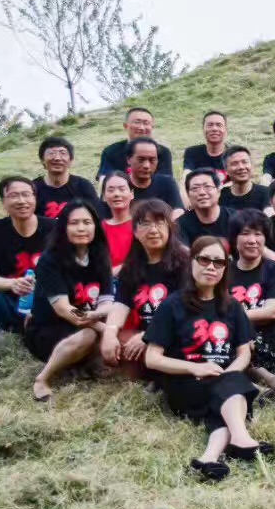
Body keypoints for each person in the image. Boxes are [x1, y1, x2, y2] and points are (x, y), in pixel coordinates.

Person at [143, 236, 270, 483]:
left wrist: (229, 374)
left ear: (225, 269)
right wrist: (195, 367)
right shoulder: (173, 305)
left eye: (219, 262)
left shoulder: (232, 306)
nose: (211, 267)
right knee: (232, 390)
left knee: (229, 388)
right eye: (204, 260)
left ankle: (209, 458)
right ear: (192, 262)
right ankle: (241, 438)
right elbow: (152, 359)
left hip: (223, 381)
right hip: (186, 384)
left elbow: (244, 353)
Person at [24, 200, 115, 401]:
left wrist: (99, 317)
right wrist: (107, 331)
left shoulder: (100, 256)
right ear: (63, 227)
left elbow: (107, 302)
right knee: (90, 335)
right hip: (50, 328)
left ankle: (84, 364)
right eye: (74, 223)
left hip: (88, 319)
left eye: (87, 222)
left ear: (96, 226)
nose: (81, 228)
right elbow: (65, 310)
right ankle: (42, 379)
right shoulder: (50, 260)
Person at [0, 176, 55, 368]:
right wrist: (12, 283)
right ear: (3, 203)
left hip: (47, 304)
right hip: (10, 304)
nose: (21, 200)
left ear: (35, 198)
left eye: (26, 194)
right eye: (14, 195)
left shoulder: (53, 228)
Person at [101, 199, 190, 375]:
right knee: (109, 340)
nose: (153, 230)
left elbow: (186, 311)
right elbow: (121, 304)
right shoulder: (132, 266)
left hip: (177, 334)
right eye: (146, 224)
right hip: (144, 337)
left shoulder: (185, 263)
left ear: (170, 228)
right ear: (135, 231)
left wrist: (148, 336)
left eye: (160, 223)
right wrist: (110, 333)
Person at [226, 209, 275, 393]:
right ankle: (256, 382)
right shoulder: (224, 271)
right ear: (235, 239)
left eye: (258, 234)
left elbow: (272, 311)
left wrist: (236, 318)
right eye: (245, 234)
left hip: (268, 341)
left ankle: (258, 374)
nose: (252, 240)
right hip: (232, 337)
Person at [96, 107, 174, 182]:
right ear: (125, 126)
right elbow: (104, 180)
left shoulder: (163, 152)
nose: (142, 128)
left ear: (152, 127)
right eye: (137, 122)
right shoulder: (111, 151)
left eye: (146, 123)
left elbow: (166, 181)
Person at [32, 136, 98, 219]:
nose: (57, 158)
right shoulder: (33, 188)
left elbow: (96, 218)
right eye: (51, 153)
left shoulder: (84, 186)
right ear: (42, 160)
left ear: (71, 160)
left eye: (63, 153)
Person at [126, 138, 185, 217]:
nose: (146, 166)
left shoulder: (167, 183)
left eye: (152, 160)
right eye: (141, 160)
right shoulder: (121, 186)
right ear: (128, 159)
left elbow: (178, 210)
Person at [177, 168, 234, 246]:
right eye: (195, 188)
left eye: (207, 186)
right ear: (188, 194)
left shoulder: (235, 219)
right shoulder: (179, 225)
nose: (202, 192)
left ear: (218, 191)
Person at [99, 171, 135, 273]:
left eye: (122, 189)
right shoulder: (99, 229)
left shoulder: (141, 224)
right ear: (104, 196)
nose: (116, 194)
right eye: (111, 190)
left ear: (132, 194)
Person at [182, 111, 230, 186]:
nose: (214, 128)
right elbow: (186, 179)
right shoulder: (192, 152)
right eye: (210, 125)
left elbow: (238, 182)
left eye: (219, 125)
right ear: (203, 129)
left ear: (225, 130)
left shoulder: (234, 154)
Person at [219, 146, 271, 213]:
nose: (241, 167)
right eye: (235, 163)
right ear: (226, 171)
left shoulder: (266, 193)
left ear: (252, 166)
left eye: (245, 162)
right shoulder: (220, 196)